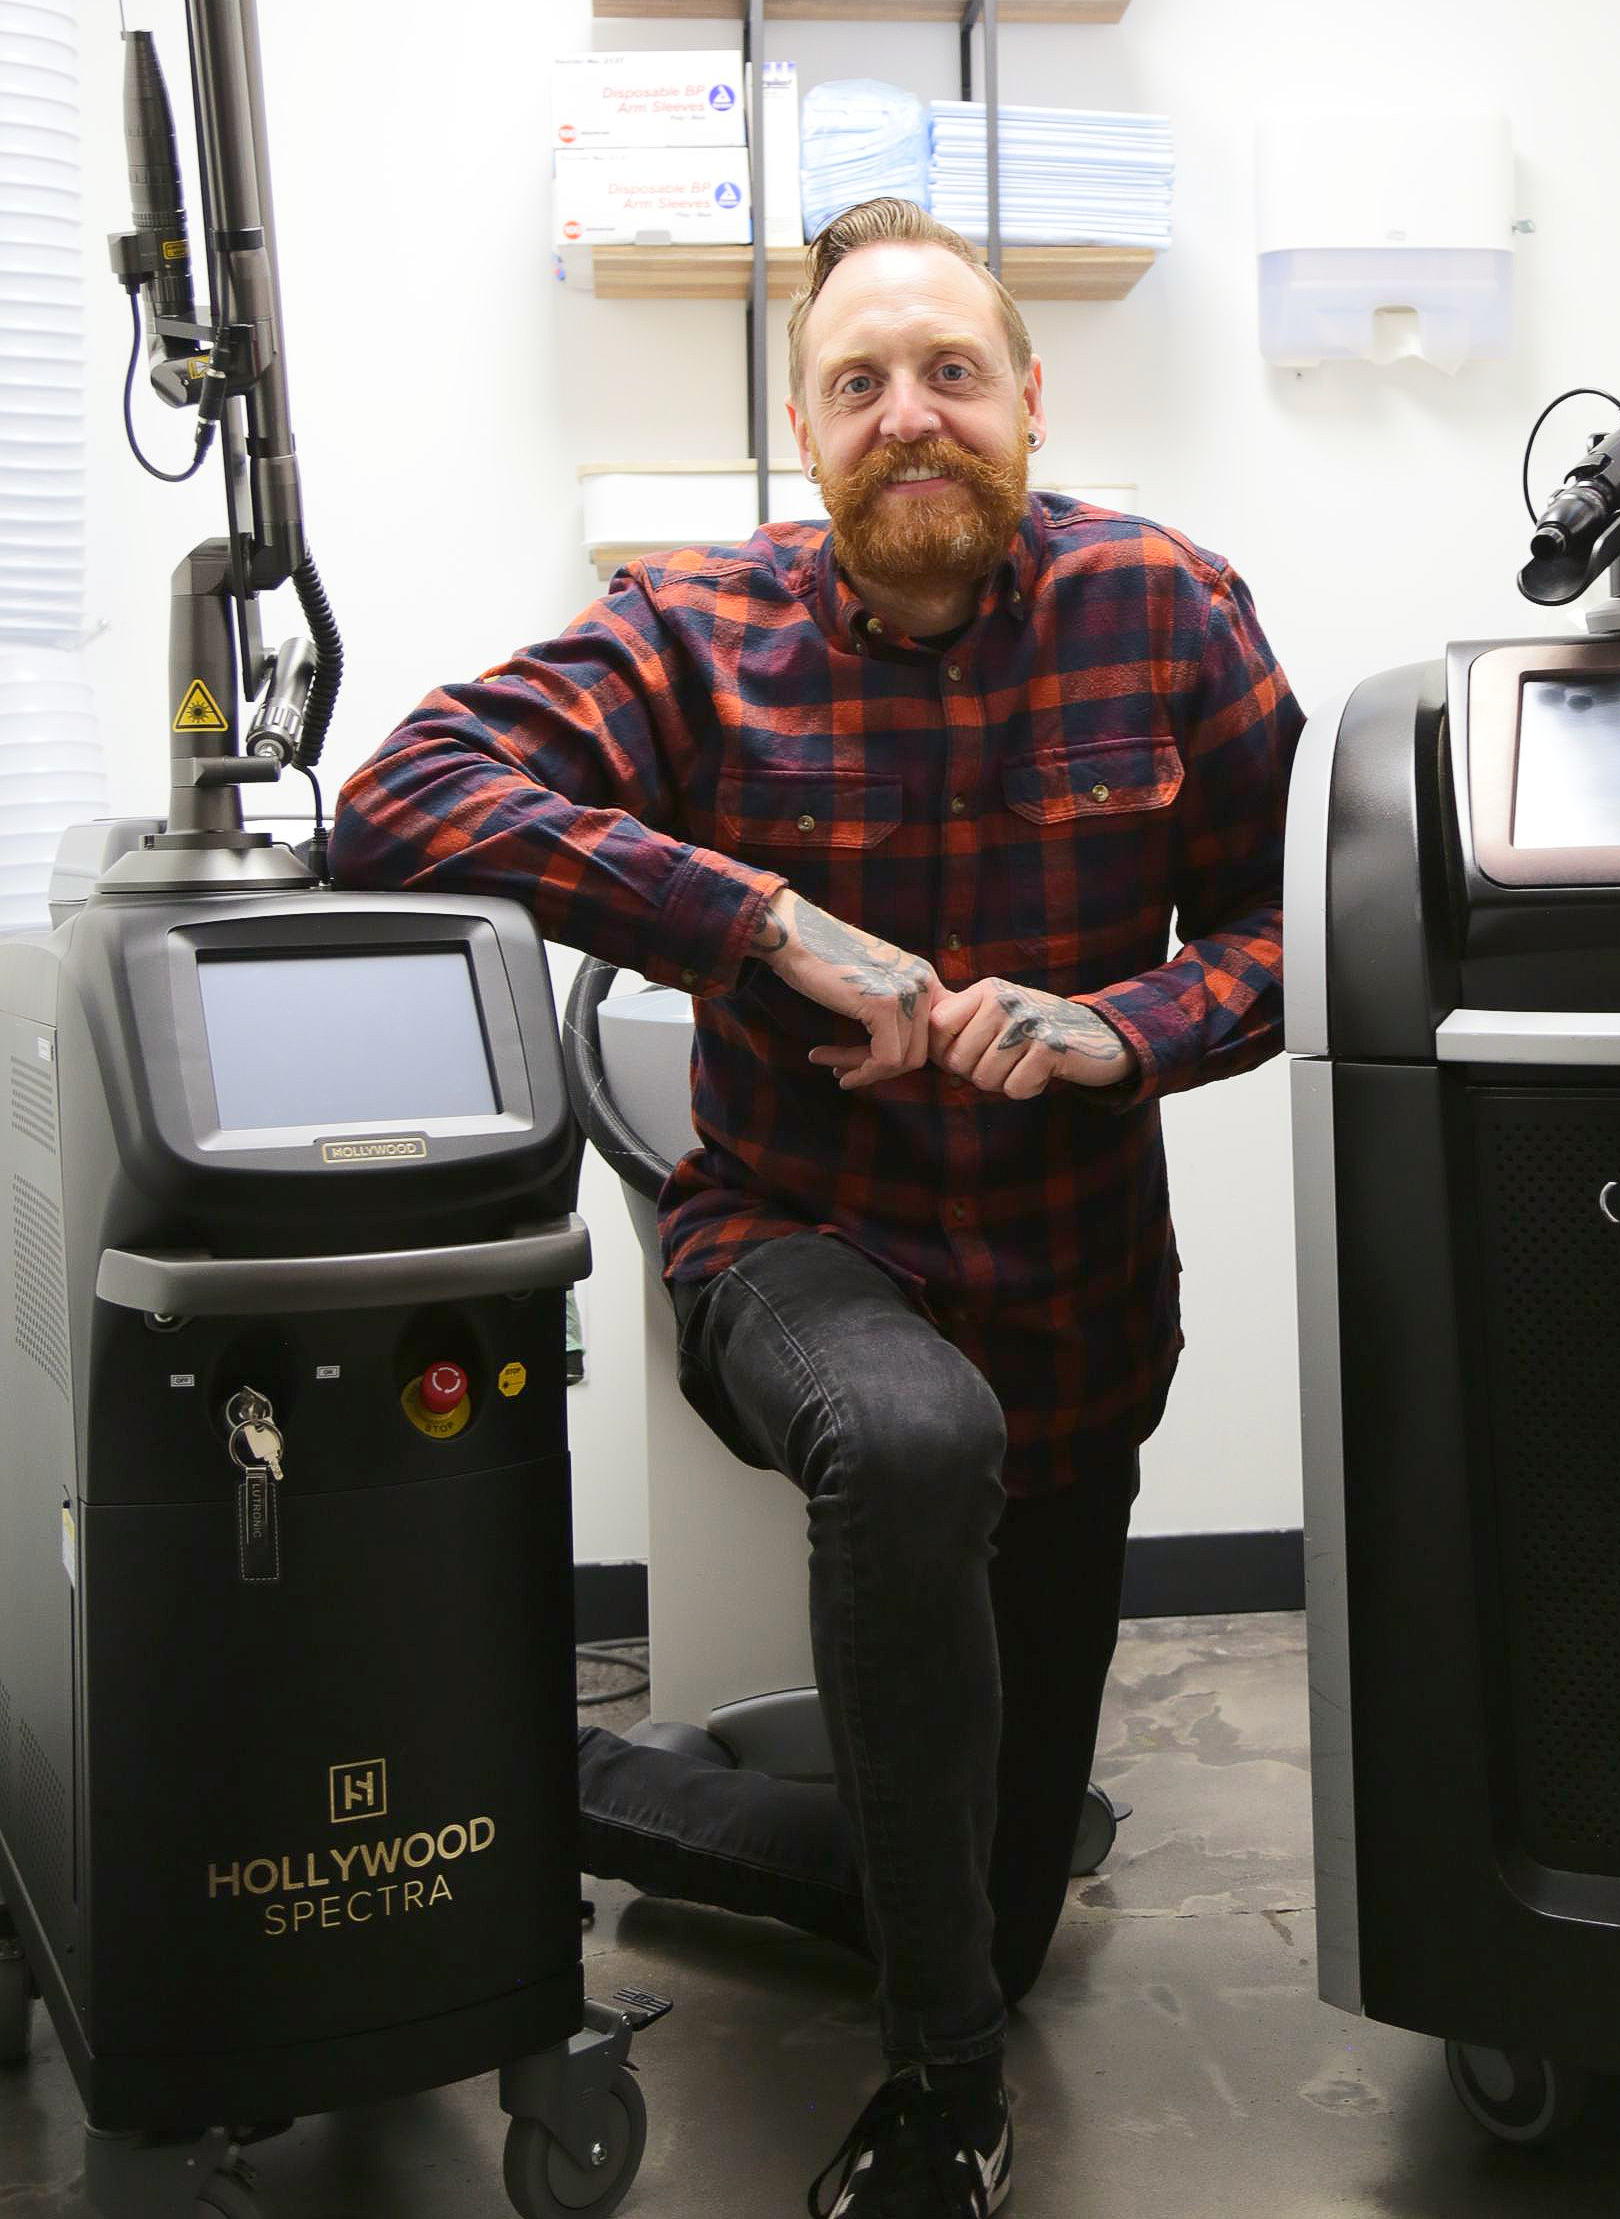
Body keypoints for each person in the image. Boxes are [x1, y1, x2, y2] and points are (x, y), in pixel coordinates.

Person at [330, 197, 1303, 2218]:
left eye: (952, 370)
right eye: (859, 383)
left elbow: (1313, 923)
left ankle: (569, 1783)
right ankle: (943, 2089)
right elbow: (400, 792)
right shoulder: (693, 626)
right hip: (791, 1243)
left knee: (977, 1902)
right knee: (912, 1435)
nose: (909, 414)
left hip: (1074, 1312)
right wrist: (756, 919)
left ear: (1029, 399)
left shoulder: (1170, 608)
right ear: (804, 430)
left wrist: (1122, 1029)